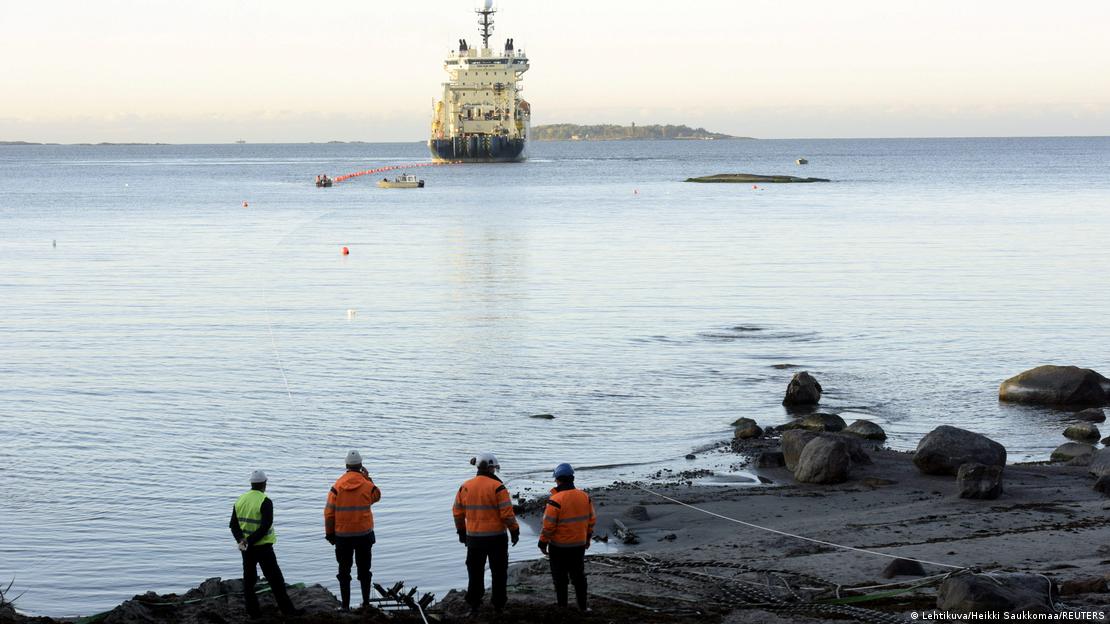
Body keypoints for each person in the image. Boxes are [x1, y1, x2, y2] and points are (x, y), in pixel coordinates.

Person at [452, 452, 519, 615]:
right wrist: (514, 531)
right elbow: (507, 514)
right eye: (494, 468)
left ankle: (474, 606)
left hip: (474, 539)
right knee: (499, 573)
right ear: (490, 468)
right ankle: (498, 606)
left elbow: (457, 513)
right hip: (497, 539)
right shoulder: (498, 487)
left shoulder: (465, 487)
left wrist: (461, 532)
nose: (495, 471)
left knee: (474, 573)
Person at [229, 470, 299, 617]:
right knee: (276, 580)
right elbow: (265, 526)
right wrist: (250, 541)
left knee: (249, 581)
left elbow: (233, 525)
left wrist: (241, 540)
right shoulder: (265, 501)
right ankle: (289, 612)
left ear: (251, 483)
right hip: (263, 548)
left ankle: (253, 613)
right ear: (264, 484)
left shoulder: (240, 499)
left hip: (246, 548)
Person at [325, 450, 381, 612]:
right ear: (361, 466)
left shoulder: (337, 486)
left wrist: (330, 534)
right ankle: (365, 603)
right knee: (364, 570)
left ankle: (345, 606)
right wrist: (368, 478)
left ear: (346, 465)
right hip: (364, 535)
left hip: (342, 536)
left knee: (344, 571)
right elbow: (377, 496)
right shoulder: (367, 485)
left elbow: (329, 513)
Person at [537, 463, 595, 611]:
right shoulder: (585, 497)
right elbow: (591, 520)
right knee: (579, 576)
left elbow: (548, 526)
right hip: (579, 545)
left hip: (559, 547)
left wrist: (542, 543)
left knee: (560, 578)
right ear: (572, 478)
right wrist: (587, 539)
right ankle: (583, 607)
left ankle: (562, 606)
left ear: (557, 480)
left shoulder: (555, 500)